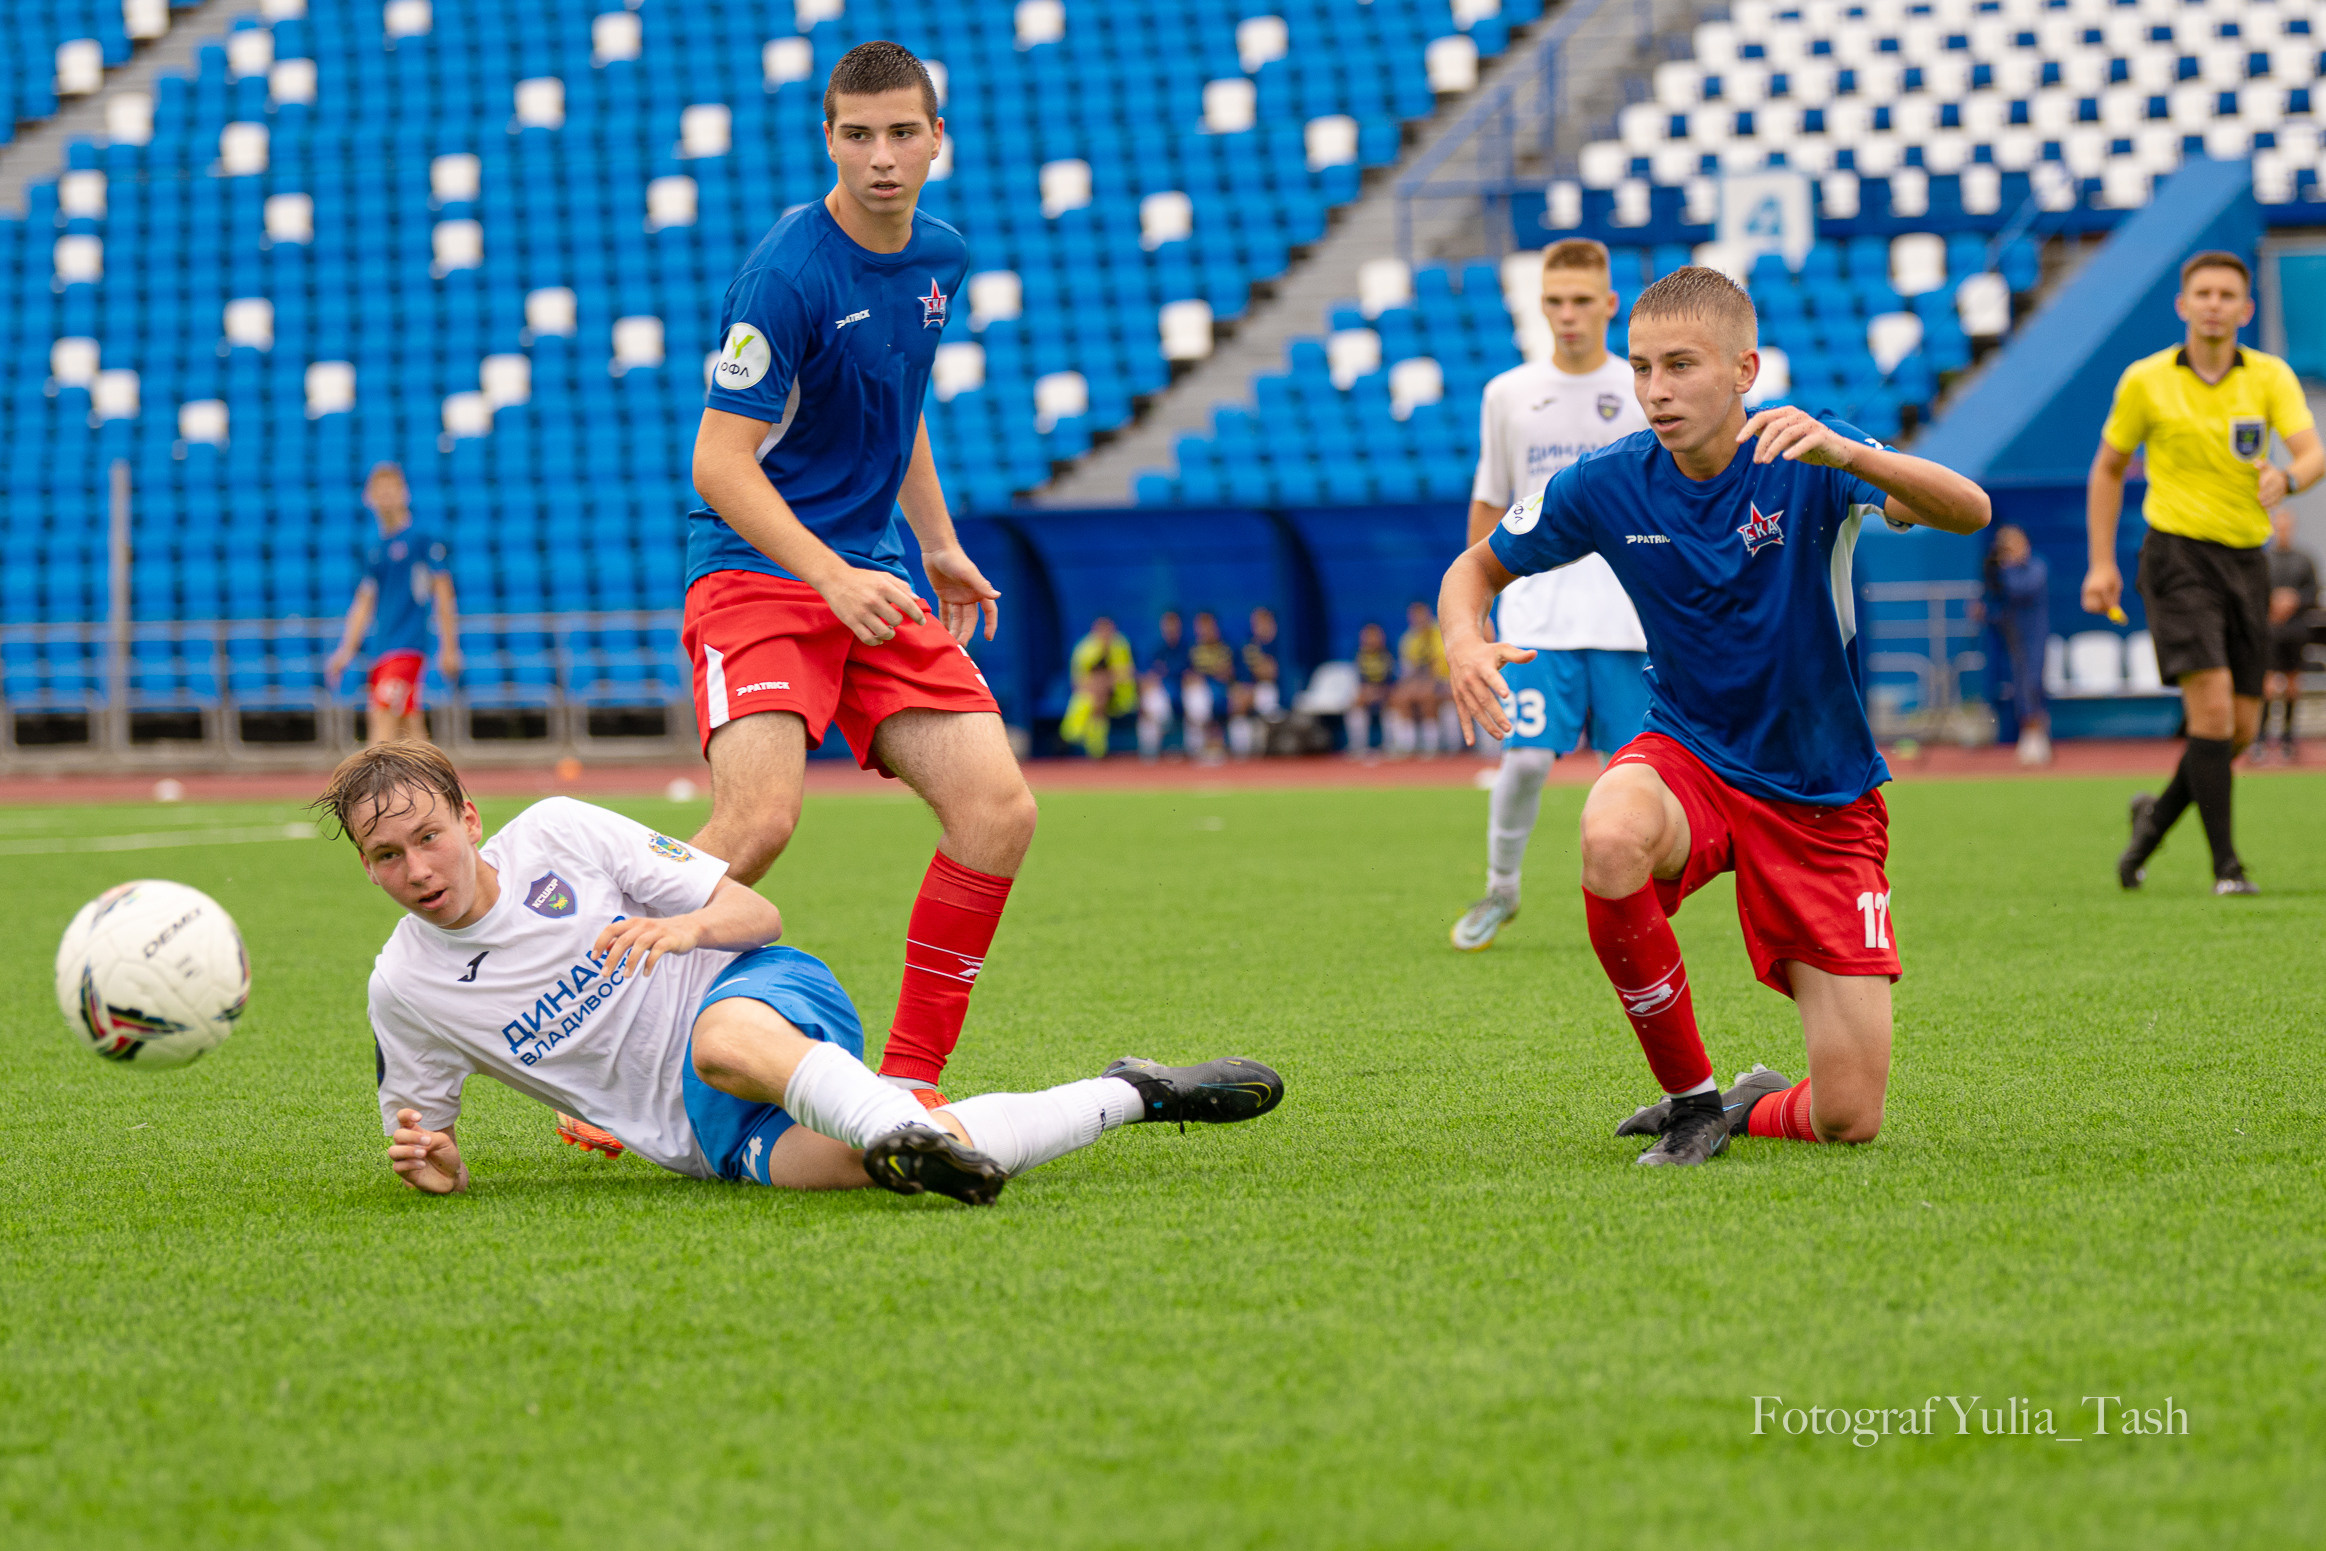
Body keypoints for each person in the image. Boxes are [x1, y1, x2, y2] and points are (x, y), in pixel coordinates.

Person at [1438, 266, 1991, 1167]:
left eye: (1681, 366)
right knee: (1609, 832)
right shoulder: (1607, 484)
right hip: (1691, 755)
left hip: (1823, 792)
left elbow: (1969, 510)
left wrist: (1853, 455)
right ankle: (1692, 1099)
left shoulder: (1809, 456)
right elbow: (1473, 570)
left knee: (1849, 1116)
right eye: (1642, 367)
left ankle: (1745, 1108)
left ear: (1745, 370)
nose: (1655, 390)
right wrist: (1464, 641)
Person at [320, 742, 1283, 1205]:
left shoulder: (562, 833)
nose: (418, 872)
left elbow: (757, 915)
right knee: (886, 1167)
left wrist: (686, 929)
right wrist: (434, 1167)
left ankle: (886, 1122)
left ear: (470, 818)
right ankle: (1132, 1093)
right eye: (387, 857)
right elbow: (428, 1141)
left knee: (723, 1038)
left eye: (427, 837)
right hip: (706, 1134)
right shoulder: (404, 989)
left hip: (762, 998)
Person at [680, 42, 1033, 1113]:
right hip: (758, 573)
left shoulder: (940, 256)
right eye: (856, 134)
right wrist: (831, 574)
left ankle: (910, 1086)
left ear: (938, 141)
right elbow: (717, 463)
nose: (881, 157)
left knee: (997, 812)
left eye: (900, 133)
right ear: (828, 139)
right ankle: (588, 1036)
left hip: (870, 574)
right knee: (756, 827)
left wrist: (935, 541)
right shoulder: (787, 273)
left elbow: (898, 399)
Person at [2083, 250, 2323, 893]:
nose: (2215, 304)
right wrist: (2102, 562)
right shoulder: (2145, 380)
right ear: (2183, 306)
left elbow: (2312, 453)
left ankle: (2150, 825)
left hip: (2248, 561)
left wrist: (2288, 476)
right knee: (2213, 718)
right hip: (2176, 557)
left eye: (2227, 295)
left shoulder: (2270, 376)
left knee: (2239, 729)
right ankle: (2227, 869)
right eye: (2204, 293)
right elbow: (2107, 468)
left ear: (2246, 309)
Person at [1452, 239, 1653, 952]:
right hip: (1536, 609)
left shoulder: (1642, 391)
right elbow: (1489, 503)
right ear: (1542, 306)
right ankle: (1501, 888)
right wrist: (1471, 619)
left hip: (1628, 615)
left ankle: (1639, 899)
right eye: (1555, 301)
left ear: (1608, 305)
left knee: (1632, 770)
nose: (1568, 315)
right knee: (1529, 756)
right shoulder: (1508, 394)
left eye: (1581, 301)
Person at [324, 463, 461, 745]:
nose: (385, 497)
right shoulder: (374, 548)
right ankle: (439, 788)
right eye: (379, 491)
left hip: (407, 646)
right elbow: (363, 603)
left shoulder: (421, 539)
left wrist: (450, 646)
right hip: (383, 648)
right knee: (410, 729)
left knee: (381, 716)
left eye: (391, 490)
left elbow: (443, 590)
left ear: (405, 493)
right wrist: (345, 650)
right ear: (368, 498)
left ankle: (368, 789)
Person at [1981, 524, 2051, 766]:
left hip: (2034, 636)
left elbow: (2022, 589)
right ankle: (2029, 737)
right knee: (2020, 687)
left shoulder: (2036, 566)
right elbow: (1999, 604)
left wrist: (2006, 568)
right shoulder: (2000, 569)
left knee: (2033, 684)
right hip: (2013, 638)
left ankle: (2038, 738)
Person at [2262, 509, 2317, 763]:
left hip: (2295, 633)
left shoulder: (2304, 560)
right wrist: (2271, 603)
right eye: (2279, 526)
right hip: (2269, 633)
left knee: (2293, 685)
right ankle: (2261, 739)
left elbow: (2312, 594)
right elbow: (2252, 594)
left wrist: (2294, 600)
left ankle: (2287, 739)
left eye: (2287, 526)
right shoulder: (2263, 560)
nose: (2283, 530)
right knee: (2268, 686)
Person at [1060, 615, 1135, 758]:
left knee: (1096, 701)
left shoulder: (1121, 645)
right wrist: (1096, 687)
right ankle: (1073, 742)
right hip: (1091, 694)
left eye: (1109, 630)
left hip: (1119, 694)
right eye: (1102, 630)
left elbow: (1126, 673)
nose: (1106, 635)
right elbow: (1077, 682)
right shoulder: (1084, 649)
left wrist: (1105, 682)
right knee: (1086, 702)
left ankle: (1086, 747)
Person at [1388, 601, 1448, 756]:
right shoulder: (1408, 639)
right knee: (1400, 697)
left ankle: (1432, 745)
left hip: (1445, 681)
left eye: (1421, 614)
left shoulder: (1441, 633)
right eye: (1415, 616)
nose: (1418, 619)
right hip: (1420, 683)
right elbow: (1408, 670)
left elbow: (1441, 665)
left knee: (1427, 695)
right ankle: (1407, 744)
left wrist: (1428, 682)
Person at [1227, 605, 1283, 758]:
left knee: (1266, 694)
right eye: (1256, 623)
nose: (1259, 627)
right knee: (1237, 701)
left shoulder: (1281, 644)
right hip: (1248, 690)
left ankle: (1269, 748)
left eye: (1264, 622)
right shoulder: (1247, 645)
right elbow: (1237, 674)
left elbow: (1270, 673)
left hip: (1274, 692)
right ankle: (1242, 756)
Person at [1136, 609, 1187, 760]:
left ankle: (1194, 751)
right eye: (1167, 625)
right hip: (1163, 693)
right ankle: (1150, 755)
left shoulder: (1188, 649)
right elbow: (1145, 676)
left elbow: (1193, 674)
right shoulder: (1156, 650)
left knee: (1197, 699)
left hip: (1184, 692)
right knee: (1151, 700)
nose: (1171, 629)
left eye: (1174, 625)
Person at [1184, 609, 1235, 762]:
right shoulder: (1192, 650)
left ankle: (1216, 744)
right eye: (1201, 626)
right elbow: (1187, 676)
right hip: (1200, 697)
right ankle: (1200, 748)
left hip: (1223, 693)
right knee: (1196, 696)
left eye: (1208, 626)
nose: (1204, 630)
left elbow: (1231, 674)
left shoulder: (1226, 648)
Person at [1344, 621, 1395, 756]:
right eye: (1368, 636)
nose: (1371, 639)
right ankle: (1358, 746)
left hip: (1386, 693)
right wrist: (1367, 692)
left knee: (1395, 701)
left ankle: (1392, 745)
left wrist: (1381, 692)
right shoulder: (1359, 655)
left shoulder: (1389, 654)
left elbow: (1393, 680)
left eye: (1375, 635)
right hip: (1367, 694)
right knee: (1356, 703)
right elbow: (1357, 680)